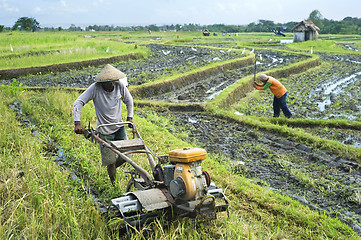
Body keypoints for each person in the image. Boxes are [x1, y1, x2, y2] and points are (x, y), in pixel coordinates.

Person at [73, 64, 134, 185]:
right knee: (110, 161)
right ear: (102, 82)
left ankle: (112, 169)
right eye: (109, 82)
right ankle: (113, 184)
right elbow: (78, 102)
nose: (111, 84)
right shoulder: (95, 88)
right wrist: (77, 123)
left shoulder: (119, 86)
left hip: (119, 127)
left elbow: (129, 100)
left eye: (113, 81)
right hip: (104, 131)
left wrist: (130, 118)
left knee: (127, 155)